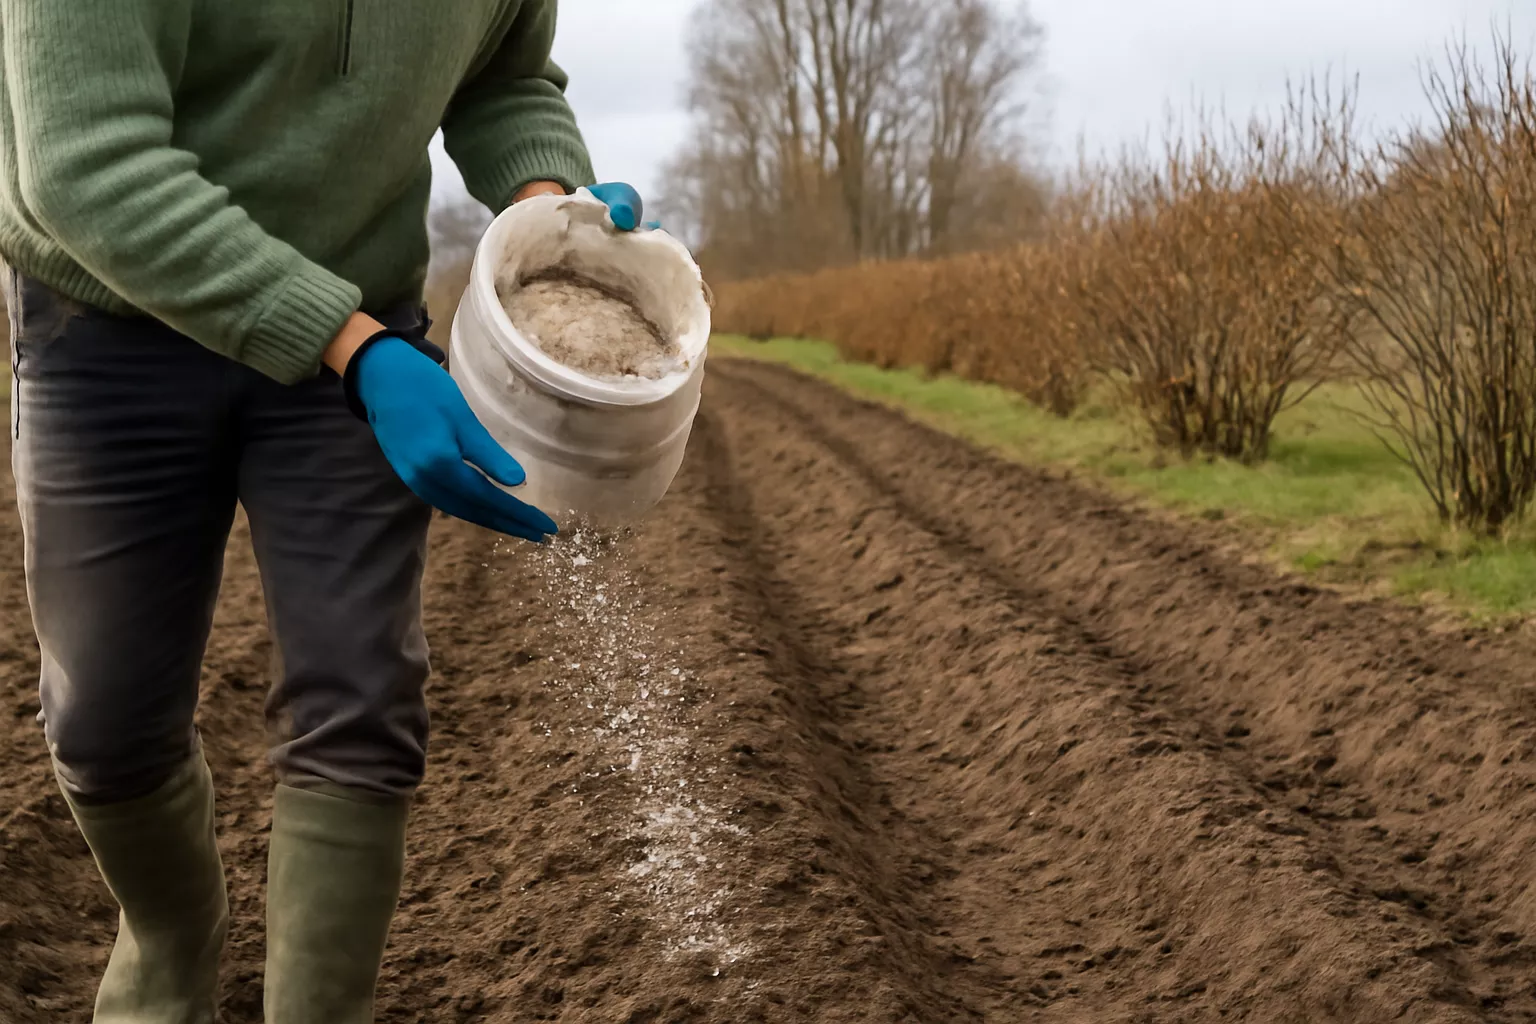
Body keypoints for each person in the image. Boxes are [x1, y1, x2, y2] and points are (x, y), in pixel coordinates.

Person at [0, 2, 642, 1019]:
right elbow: (86, 163)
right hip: (111, 315)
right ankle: (170, 945)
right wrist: (356, 349)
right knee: (105, 722)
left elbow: (502, 77)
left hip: (355, 317)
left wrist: (547, 206)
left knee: (360, 697)